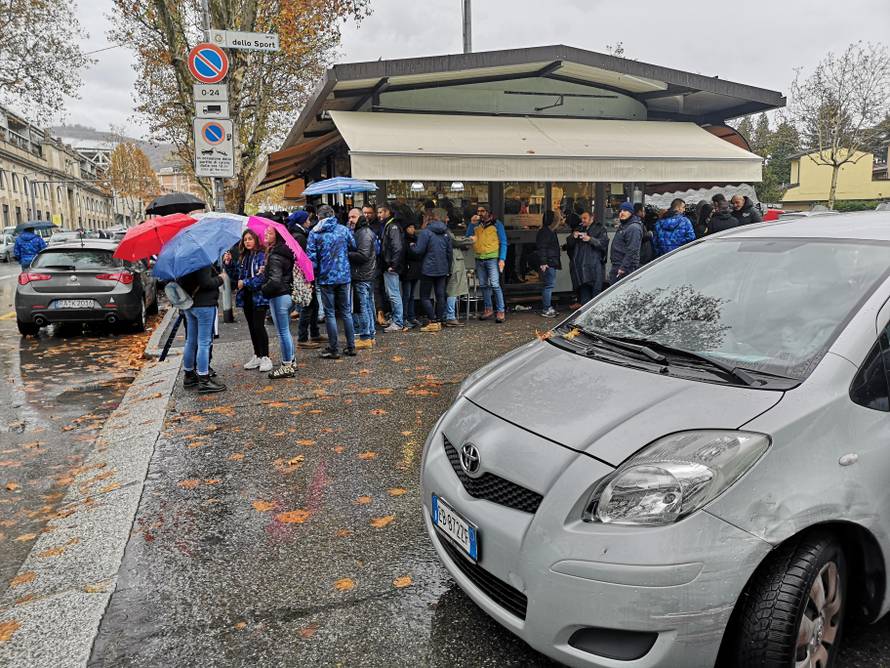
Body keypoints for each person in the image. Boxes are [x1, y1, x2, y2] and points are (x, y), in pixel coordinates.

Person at [307, 205, 357, 359]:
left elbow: (312, 259)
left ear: (319, 216)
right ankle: (351, 346)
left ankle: (334, 348)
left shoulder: (314, 233)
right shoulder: (343, 229)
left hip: (325, 277)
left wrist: (312, 277)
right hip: (343, 275)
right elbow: (354, 246)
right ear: (333, 215)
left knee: (330, 313)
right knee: (346, 312)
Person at [223, 230, 272, 372]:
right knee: (251, 327)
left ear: (256, 240)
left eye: (250, 239)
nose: (247, 242)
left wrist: (245, 283)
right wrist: (229, 263)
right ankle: (257, 355)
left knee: (259, 326)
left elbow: (261, 278)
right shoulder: (245, 256)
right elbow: (236, 277)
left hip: (259, 297)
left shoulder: (262, 256)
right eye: (245, 240)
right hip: (247, 298)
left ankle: (265, 357)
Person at [178, 263, 226, 393]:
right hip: (204, 304)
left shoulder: (182, 259)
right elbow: (206, 283)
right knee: (204, 342)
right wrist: (221, 278)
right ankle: (204, 379)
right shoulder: (201, 259)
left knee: (191, 341)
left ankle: (189, 375)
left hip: (189, 304)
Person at [261, 227, 297, 379]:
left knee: (282, 332)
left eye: (269, 233)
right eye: (265, 232)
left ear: (277, 236)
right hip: (286, 294)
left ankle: (286, 365)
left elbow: (275, 281)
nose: (265, 235)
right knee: (286, 331)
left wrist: (263, 288)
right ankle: (291, 361)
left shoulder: (275, 256)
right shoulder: (284, 252)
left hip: (278, 296)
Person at [411, 208, 453, 332]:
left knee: (425, 296)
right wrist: (448, 267)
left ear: (428, 219)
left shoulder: (426, 232)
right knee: (440, 296)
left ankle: (432, 320)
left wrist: (412, 246)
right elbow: (449, 252)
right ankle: (439, 320)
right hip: (442, 268)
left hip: (428, 269)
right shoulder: (446, 232)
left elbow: (419, 250)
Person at [466, 205, 507, 323]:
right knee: (483, 285)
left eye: (482, 211)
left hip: (492, 258)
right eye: (478, 211)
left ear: (488, 212)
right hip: (479, 258)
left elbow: (503, 242)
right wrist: (471, 224)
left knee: (495, 284)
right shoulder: (476, 224)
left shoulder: (497, 224)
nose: (480, 213)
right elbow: (468, 238)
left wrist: (502, 259)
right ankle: (488, 309)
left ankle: (500, 311)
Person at [348, 208, 377, 349]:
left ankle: (366, 336)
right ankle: (370, 335)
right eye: (349, 217)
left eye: (353, 217)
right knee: (367, 305)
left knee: (363, 306)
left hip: (362, 275)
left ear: (360, 217)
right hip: (366, 274)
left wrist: (347, 252)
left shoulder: (364, 233)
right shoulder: (362, 231)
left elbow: (363, 255)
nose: (350, 219)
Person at [565, 210, 609, 304]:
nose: (583, 220)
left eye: (585, 218)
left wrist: (590, 239)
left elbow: (603, 244)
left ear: (591, 218)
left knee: (596, 294)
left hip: (594, 266)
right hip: (581, 267)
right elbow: (569, 244)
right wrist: (573, 236)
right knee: (584, 294)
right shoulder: (579, 228)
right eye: (582, 218)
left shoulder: (600, 229)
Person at [379, 202, 406, 333]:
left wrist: (393, 264)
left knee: (394, 294)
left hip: (391, 266)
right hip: (390, 264)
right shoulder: (390, 225)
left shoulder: (392, 226)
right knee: (392, 293)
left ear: (388, 212)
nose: (379, 215)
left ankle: (398, 322)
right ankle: (396, 318)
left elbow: (397, 247)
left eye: (381, 212)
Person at [363, 203, 389, 327]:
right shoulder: (359, 227)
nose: (367, 215)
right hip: (364, 264)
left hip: (376, 262)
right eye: (365, 213)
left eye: (369, 213)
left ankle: (380, 313)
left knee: (377, 288)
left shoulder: (378, 227)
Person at [445, 215, 472, 327]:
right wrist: (469, 240)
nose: (448, 218)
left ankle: (446, 315)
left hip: (445, 264)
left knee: (448, 290)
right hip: (454, 263)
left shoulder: (437, 229)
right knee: (453, 290)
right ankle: (450, 316)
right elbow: (454, 242)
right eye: (446, 216)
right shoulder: (445, 230)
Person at [609, 202, 643, 284]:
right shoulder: (624, 226)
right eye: (620, 211)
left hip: (625, 268)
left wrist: (623, 268)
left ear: (631, 212)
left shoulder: (633, 228)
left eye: (625, 210)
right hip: (619, 265)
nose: (622, 213)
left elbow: (632, 250)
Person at [535, 211, 562, 317]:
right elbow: (542, 248)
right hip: (549, 262)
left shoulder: (546, 231)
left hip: (549, 261)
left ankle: (547, 307)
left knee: (548, 285)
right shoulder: (547, 232)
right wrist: (544, 262)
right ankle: (546, 308)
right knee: (549, 285)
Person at [401, 220, 422, 329]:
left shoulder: (416, 239)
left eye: (413, 227)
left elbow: (419, 253)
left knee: (411, 295)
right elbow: (412, 253)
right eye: (410, 227)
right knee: (407, 295)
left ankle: (411, 316)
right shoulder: (404, 240)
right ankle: (405, 317)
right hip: (408, 270)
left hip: (414, 270)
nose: (412, 229)